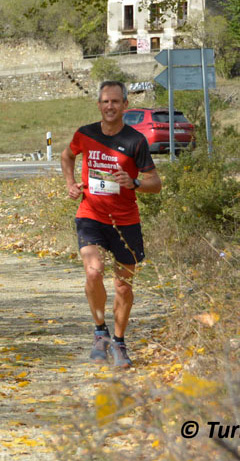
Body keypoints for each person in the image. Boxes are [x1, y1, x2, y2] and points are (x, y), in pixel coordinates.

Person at [60, 81, 161, 368]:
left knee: (123, 286)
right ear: (99, 105)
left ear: (125, 106)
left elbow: (156, 183)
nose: (110, 106)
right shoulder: (85, 133)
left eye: (116, 102)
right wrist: (70, 183)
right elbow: (67, 155)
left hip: (126, 221)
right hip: (91, 214)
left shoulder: (135, 141)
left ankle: (118, 341)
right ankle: (99, 332)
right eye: (105, 101)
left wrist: (135, 182)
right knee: (94, 271)